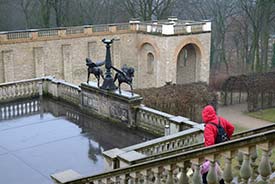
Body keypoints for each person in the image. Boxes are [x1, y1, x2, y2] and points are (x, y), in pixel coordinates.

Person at [201, 105, 235, 184]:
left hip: (213, 152)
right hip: (223, 146)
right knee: (217, 168)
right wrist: (226, 136)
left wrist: (206, 155)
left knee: (208, 171)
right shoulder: (220, 119)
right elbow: (231, 128)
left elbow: (210, 144)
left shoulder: (209, 126)